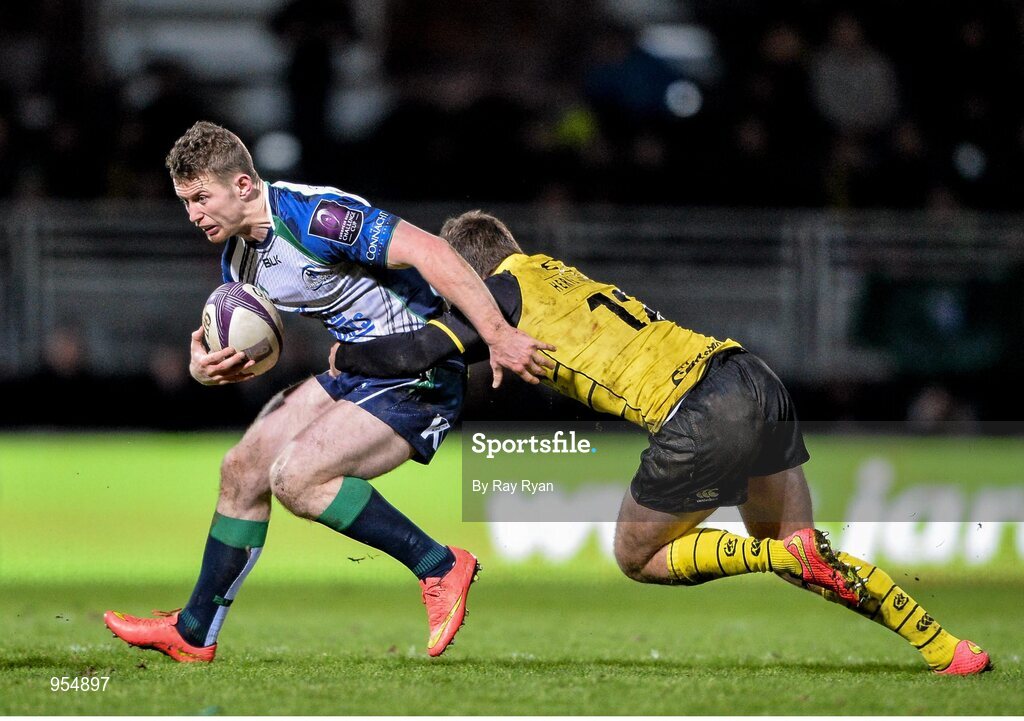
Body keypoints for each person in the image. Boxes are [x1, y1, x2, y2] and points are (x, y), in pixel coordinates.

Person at [331, 210, 991, 676]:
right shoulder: (552, 273)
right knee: (810, 553)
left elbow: (422, 348)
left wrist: (343, 356)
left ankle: (775, 557)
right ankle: (945, 647)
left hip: (698, 409)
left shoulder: (499, 294)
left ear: (464, 273)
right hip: (752, 377)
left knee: (636, 553)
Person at [103, 123, 553, 663]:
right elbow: (255, 347)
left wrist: (498, 335)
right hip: (359, 372)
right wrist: (209, 368)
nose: (193, 214)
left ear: (243, 185)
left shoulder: (316, 217)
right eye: (185, 202)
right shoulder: (238, 260)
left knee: (296, 478)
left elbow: (430, 251)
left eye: (201, 198)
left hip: (419, 373)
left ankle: (439, 565)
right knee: (243, 468)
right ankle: (194, 630)